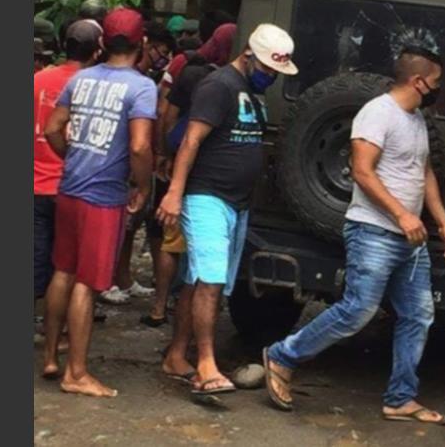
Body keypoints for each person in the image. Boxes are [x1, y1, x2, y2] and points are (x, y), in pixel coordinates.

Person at [262, 46, 445, 423]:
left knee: (418, 315)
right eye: (435, 82)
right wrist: (403, 215)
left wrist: (443, 223)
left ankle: (401, 398)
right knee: (357, 310)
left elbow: (424, 173)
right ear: (418, 82)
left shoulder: (416, 118)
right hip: (374, 231)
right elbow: (362, 171)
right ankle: (281, 356)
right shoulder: (376, 114)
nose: (438, 89)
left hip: (409, 239)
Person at [156, 24, 298, 395]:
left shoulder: (251, 90)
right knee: (211, 283)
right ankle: (206, 364)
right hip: (208, 196)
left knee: (199, 279)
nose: (271, 77)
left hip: (237, 202)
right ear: (248, 56)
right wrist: (174, 192)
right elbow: (191, 140)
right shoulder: (219, 86)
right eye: (268, 70)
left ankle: (176, 355)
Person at [41, 8, 157, 397]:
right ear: (141, 45)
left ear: (104, 43)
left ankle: (51, 357)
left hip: (70, 188)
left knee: (63, 271)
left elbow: (53, 128)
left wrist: (71, 158)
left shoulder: (82, 78)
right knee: (87, 284)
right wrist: (141, 186)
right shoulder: (141, 88)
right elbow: (140, 145)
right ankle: (76, 372)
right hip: (103, 196)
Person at [98, 25, 176, 305]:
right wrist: (141, 178)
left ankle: (123, 278)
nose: (162, 59)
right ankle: (104, 281)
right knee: (120, 225)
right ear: (147, 46)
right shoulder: (137, 84)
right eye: (162, 52)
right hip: (126, 164)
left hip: (138, 162)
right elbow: (138, 142)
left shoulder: (142, 79)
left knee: (130, 226)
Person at [140, 55, 217, 328]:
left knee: (169, 241)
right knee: (193, 247)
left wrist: (163, 153)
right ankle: (182, 304)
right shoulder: (217, 94)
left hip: (175, 175)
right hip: (202, 184)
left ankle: (160, 305)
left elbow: (165, 115)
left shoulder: (179, 119)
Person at [34, 20, 102, 305]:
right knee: (66, 266)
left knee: (35, 257)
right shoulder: (96, 86)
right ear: (98, 51)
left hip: (36, 184)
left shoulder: (38, 79)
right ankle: (58, 330)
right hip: (74, 187)